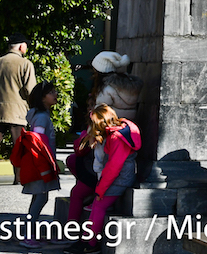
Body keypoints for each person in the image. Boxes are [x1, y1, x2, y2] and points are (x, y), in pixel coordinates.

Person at [65, 104, 141, 254]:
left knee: (99, 206)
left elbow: (114, 167)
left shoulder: (116, 138)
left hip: (120, 178)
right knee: (97, 205)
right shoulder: (119, 131)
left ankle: (91, 243)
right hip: (119, 176)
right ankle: (86, 240)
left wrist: (101, 189)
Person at [0, 33, 36, 188]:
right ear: (21, 46)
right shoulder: (25, 64)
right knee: (19, 144)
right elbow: (30, 90)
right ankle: (19, 177)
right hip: (18, 111)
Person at [18, 81, 61, 249]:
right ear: (42, 98)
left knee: (39, 197)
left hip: (38, 163)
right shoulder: (42, 117)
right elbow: (37, 142)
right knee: (41, 198)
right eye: (51, 92)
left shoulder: (39, 115)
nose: (55, 94)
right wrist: (45, 165)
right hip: (40, 164)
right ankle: (28, 235)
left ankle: (30, 233)